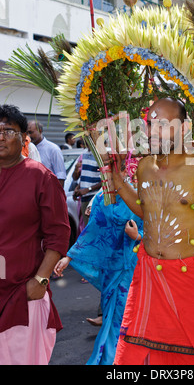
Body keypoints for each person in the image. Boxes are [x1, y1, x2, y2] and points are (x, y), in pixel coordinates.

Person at [112, 97, 194, 365]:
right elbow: (148, 211)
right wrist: (116, 177)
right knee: (132, 359)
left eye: (163, 124)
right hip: (149, 279)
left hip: (192, 282)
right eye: (150, 124)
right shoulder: (144, 166)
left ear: (185, 128)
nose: (152, 131)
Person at [0, 104, 70, 365]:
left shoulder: (41, 177)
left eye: (8, 131)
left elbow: (59, 234)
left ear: (24, 139)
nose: (0, 137)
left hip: (22, 291)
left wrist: (40, 281)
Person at [54, 184, 143, 365]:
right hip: (111, 267)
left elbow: (159, 232)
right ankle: (112, 360)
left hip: (135, 267)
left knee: (128, 318)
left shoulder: (141, 194)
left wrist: (138, 236)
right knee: (113, 318)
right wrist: (69, 258)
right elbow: (92, 231)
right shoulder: (103, 198)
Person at [27, 120, 66, 187]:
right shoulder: (26, 148)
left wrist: (57, 195)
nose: (28, 135)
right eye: (26, 133)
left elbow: (60, 175)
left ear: (40, 131)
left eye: (30, 132)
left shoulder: (53, 149)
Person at [72, 148, 102, 228]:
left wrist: (88, 189)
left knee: (93, 227)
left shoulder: (101, 154)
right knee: (86, 227)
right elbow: (76, 177)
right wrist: (78, 188)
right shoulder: (84, 154)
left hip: (94, 197)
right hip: (84, 197)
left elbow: (106, 180)